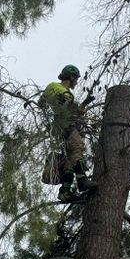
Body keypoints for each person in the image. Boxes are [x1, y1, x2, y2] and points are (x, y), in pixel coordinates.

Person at [41, 64, 96, 201]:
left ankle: (65, 192)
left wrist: (83, 104)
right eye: (76, 79)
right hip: (67, 126)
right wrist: (80, 106)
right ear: (71, 77)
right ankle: (82, 182)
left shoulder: (51, 87)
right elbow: (69, 109)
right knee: (78, 148)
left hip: (57, 130)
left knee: (69, 160)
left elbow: (41, 103)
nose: (76, 82)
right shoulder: (64, 92)